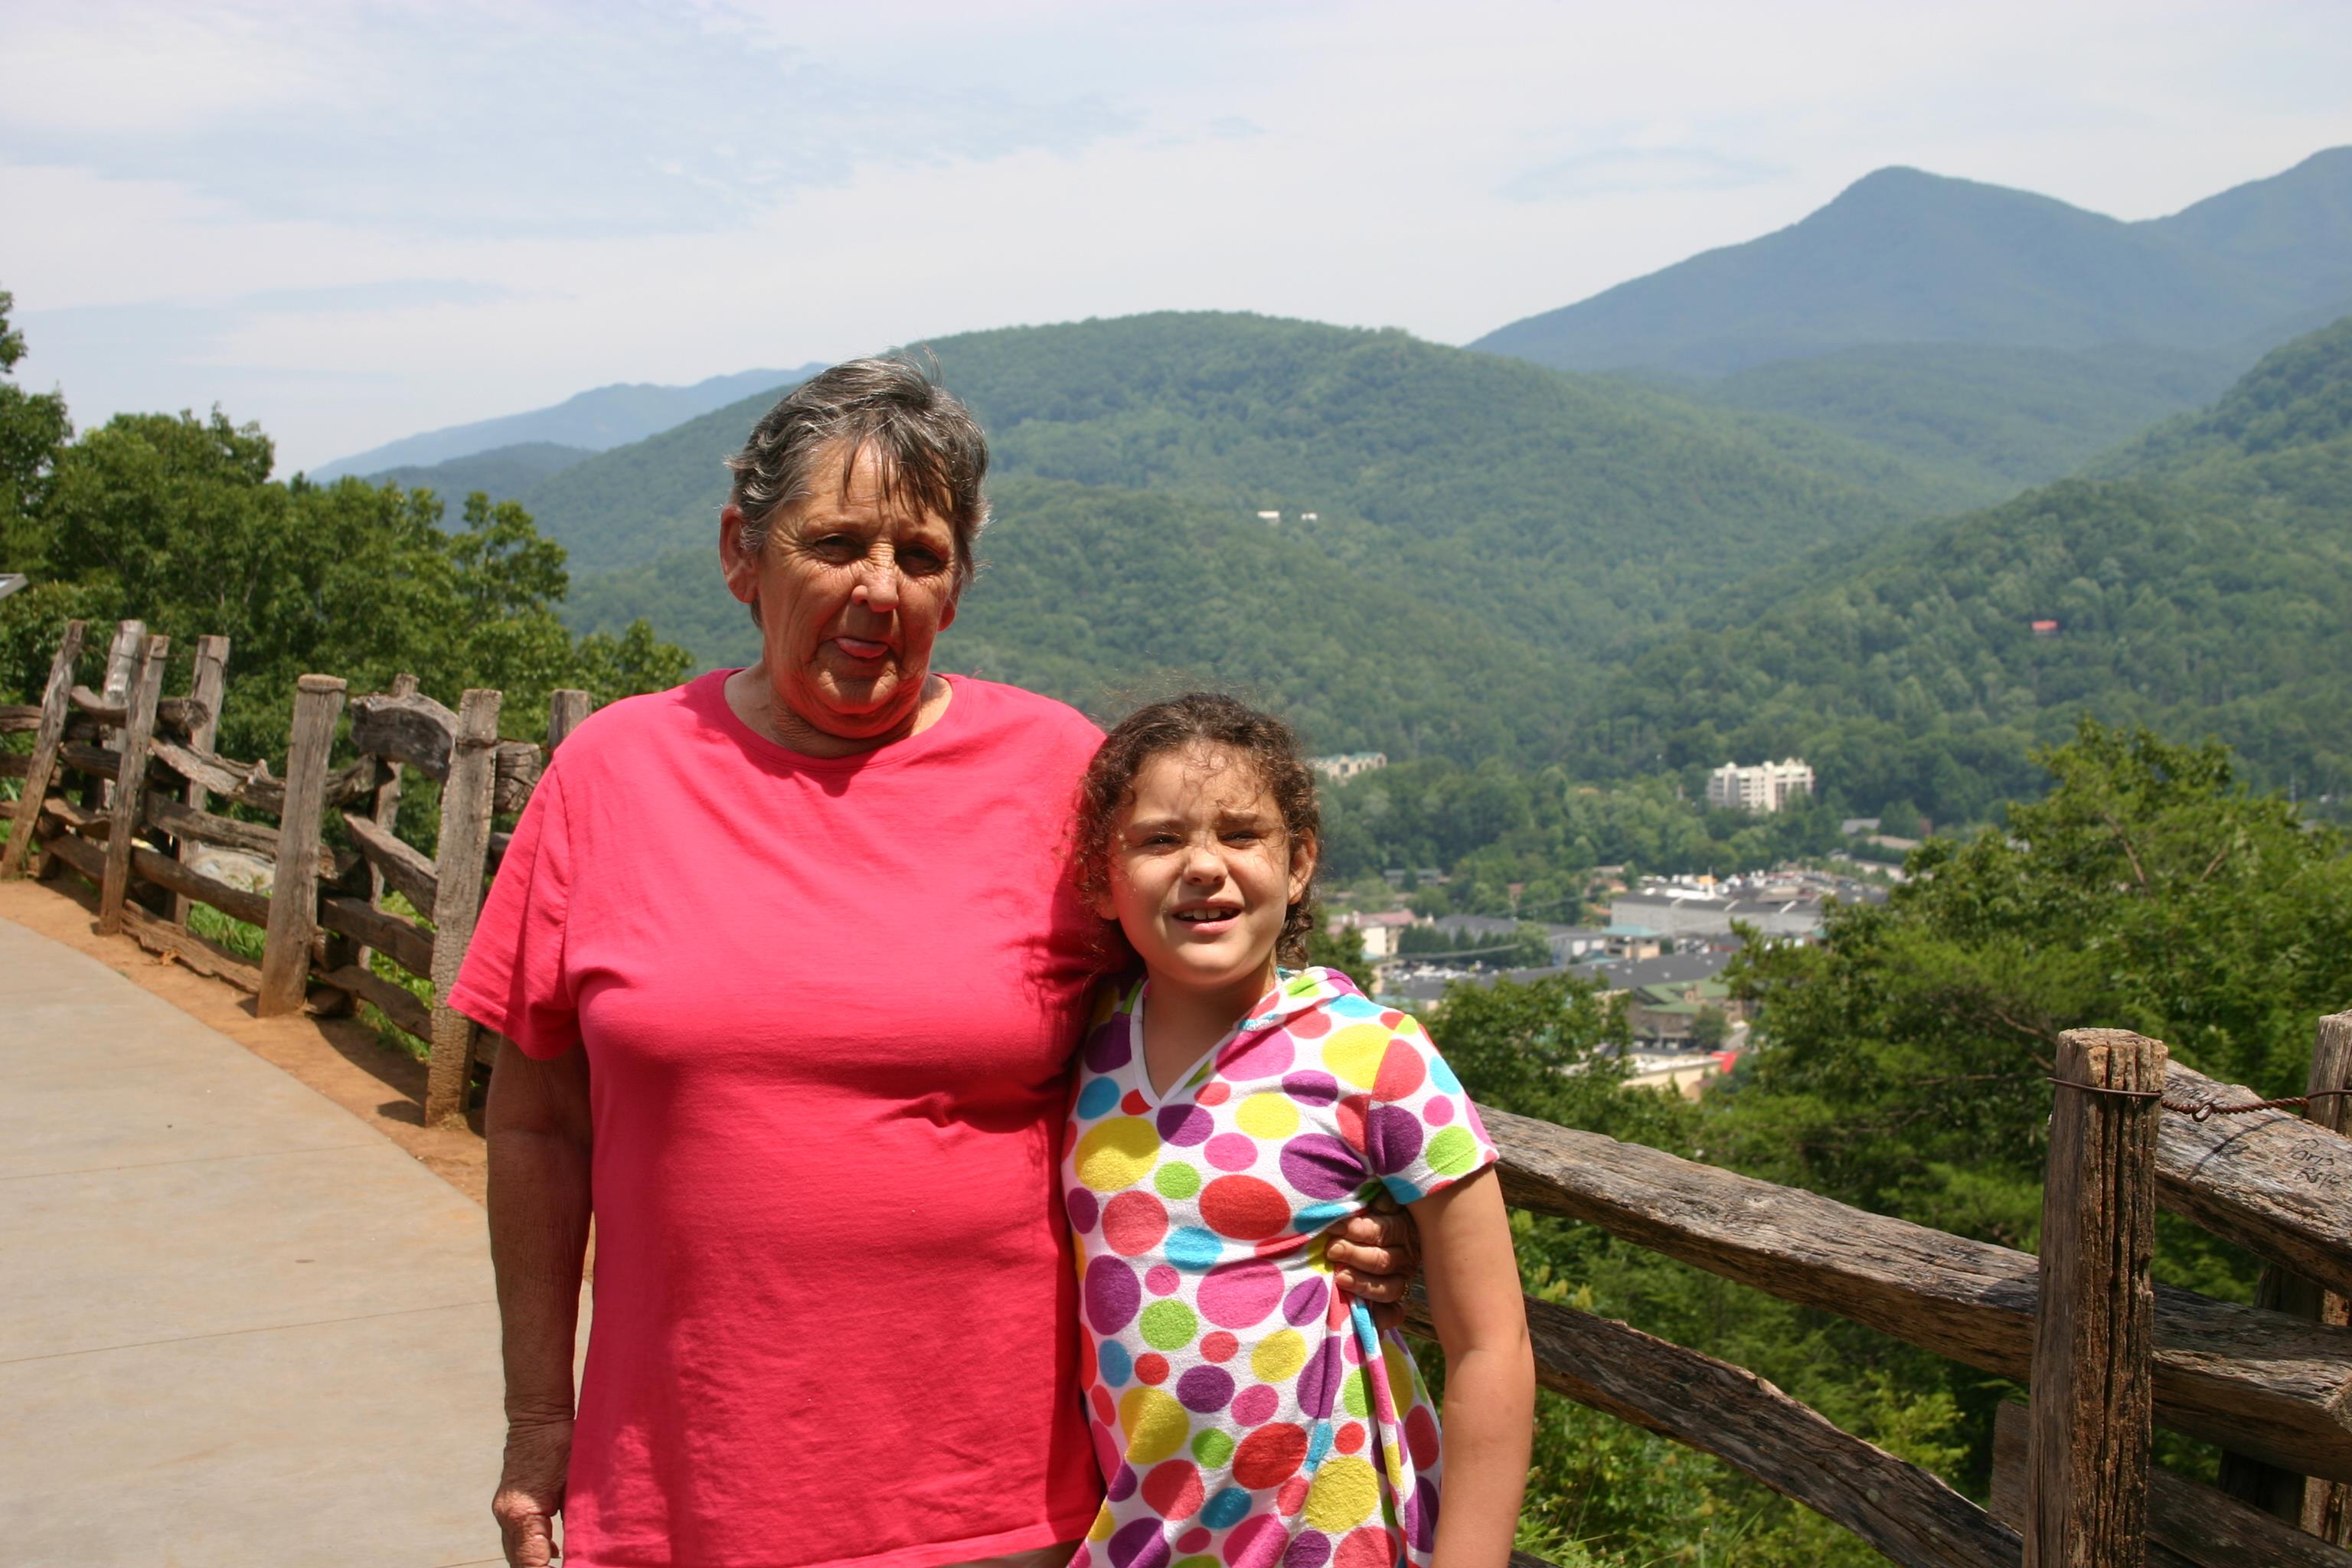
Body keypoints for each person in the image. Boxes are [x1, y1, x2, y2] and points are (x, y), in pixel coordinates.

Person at [452, 359, 1417, 1568]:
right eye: (836, 541)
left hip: (1000, 1495)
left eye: (920, 554)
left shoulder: (1059, 778)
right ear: (740, 555)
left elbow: (1214, 1037)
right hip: (685, 1483)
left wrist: (1332, 1198)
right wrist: (539, 1421)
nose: (877, 588)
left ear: (956, 585)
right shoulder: (613, 775)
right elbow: (538, 1122)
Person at [1062, 694, 1533, 1568]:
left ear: (1301, 860)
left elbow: (1490, 1342)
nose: (1205, 865)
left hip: (1335, 1537)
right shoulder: (1076, 1048)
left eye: (1243, 834)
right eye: (1161, 839)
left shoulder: (1374, 1053)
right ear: (1101, 877)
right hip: (1147, 1537)